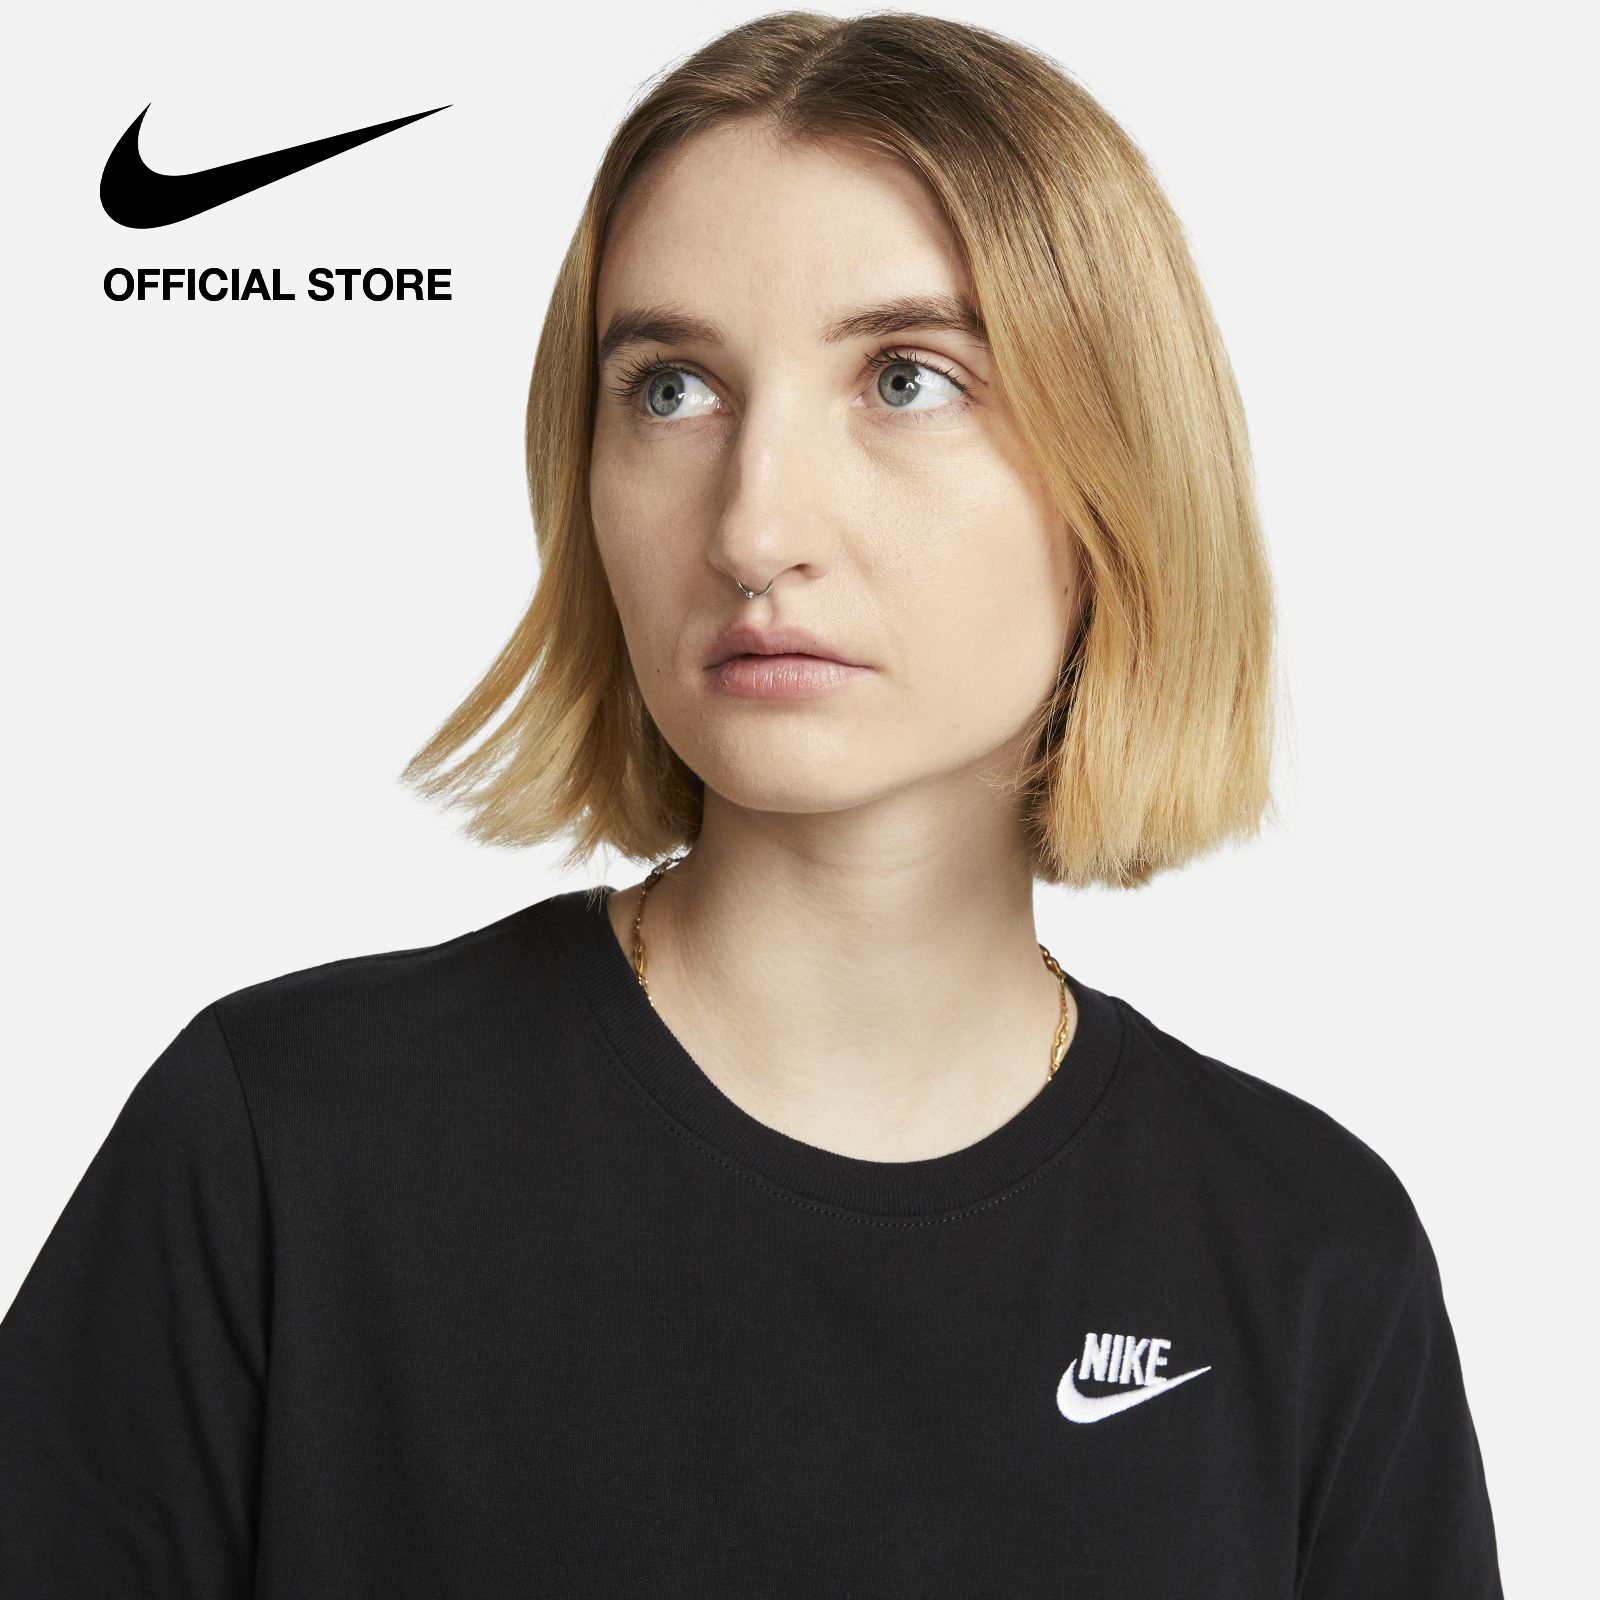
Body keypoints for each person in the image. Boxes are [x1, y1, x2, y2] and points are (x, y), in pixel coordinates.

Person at [0, 10, 1503, 1595]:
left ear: (1120, 475)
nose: (754, 524)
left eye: (907, 379)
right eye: (670, 390)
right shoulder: (284, 1150)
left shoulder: (1307, 1258)